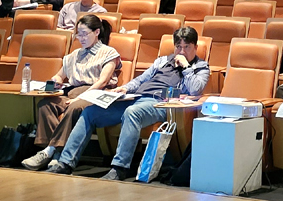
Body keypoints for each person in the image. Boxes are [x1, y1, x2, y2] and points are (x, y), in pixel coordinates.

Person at [48, 26, 211, 177]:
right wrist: (125, 88)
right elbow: (141, 79)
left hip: (160, 104)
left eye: (186, 47)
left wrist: (186, 67)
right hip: (136, 98)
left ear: (195, 47)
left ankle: (120, 168)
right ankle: (66, 162)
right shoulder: (162, 61)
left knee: (132, 112)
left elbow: (195, 89)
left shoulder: (201, 67)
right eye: (178, 47)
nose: (181, 51)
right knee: (91, 112)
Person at [22, 15, 122, 167]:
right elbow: (59, 75)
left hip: (96, 93)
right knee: (46, 104)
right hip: (72, 92)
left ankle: (49, 151)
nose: (81, 38)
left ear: (96, 32)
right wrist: (55, 80)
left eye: (84, 34)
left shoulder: (109, 52)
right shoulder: (74, 55)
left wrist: (80, 97)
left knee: (74, 107)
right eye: (78, 34)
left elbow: (102, 82)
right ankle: (56, 152)